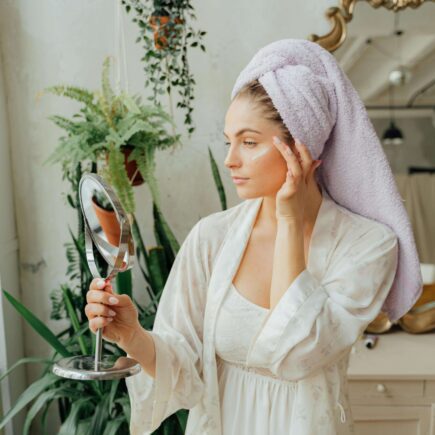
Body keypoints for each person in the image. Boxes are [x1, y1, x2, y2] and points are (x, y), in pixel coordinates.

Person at [84, 40, 410, 434]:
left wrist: (289, 221)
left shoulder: (367, 245)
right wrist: (134, 337)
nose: (230, 159)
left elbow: (296, 353)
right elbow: (185, 374)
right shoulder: (211, 238)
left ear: (300, 148)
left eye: (249, 142)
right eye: (229, 141)